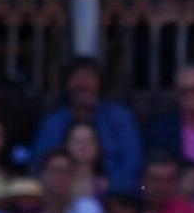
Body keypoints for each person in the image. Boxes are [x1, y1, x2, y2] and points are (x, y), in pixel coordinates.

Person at [31, 57, 143, 192]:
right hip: (61, 193)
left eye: (89, 77)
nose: (83, 83)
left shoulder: (119, 117)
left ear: (100, 83)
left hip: (114, 194)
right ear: (67, 84)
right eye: (76, 77)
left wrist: (110, 185)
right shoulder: (53, 122)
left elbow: (133, 163)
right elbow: (39, 165)